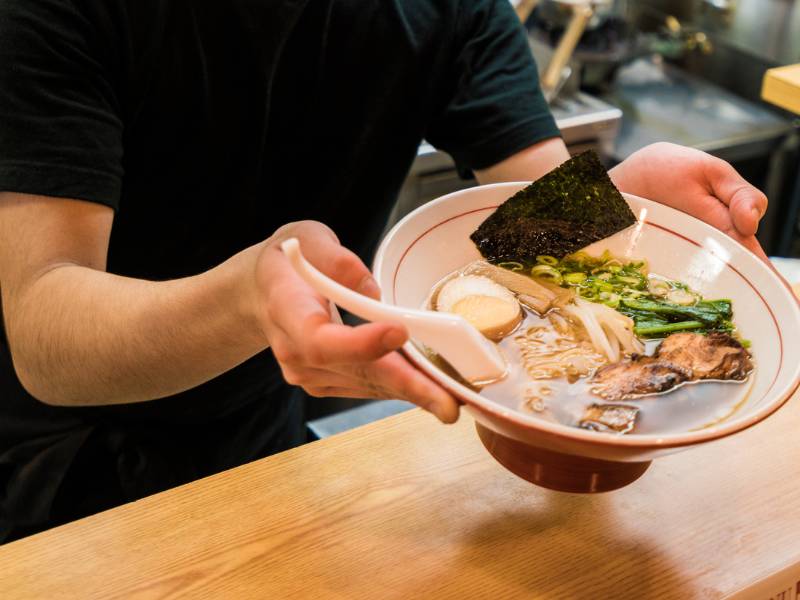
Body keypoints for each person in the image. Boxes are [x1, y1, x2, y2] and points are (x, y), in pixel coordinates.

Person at [0, 0, 768, 542]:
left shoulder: (446, 11)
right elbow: (44, 329)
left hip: (259, 430)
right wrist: (244, 299)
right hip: (56, 460)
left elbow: (530, 231)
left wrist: (619, 205)